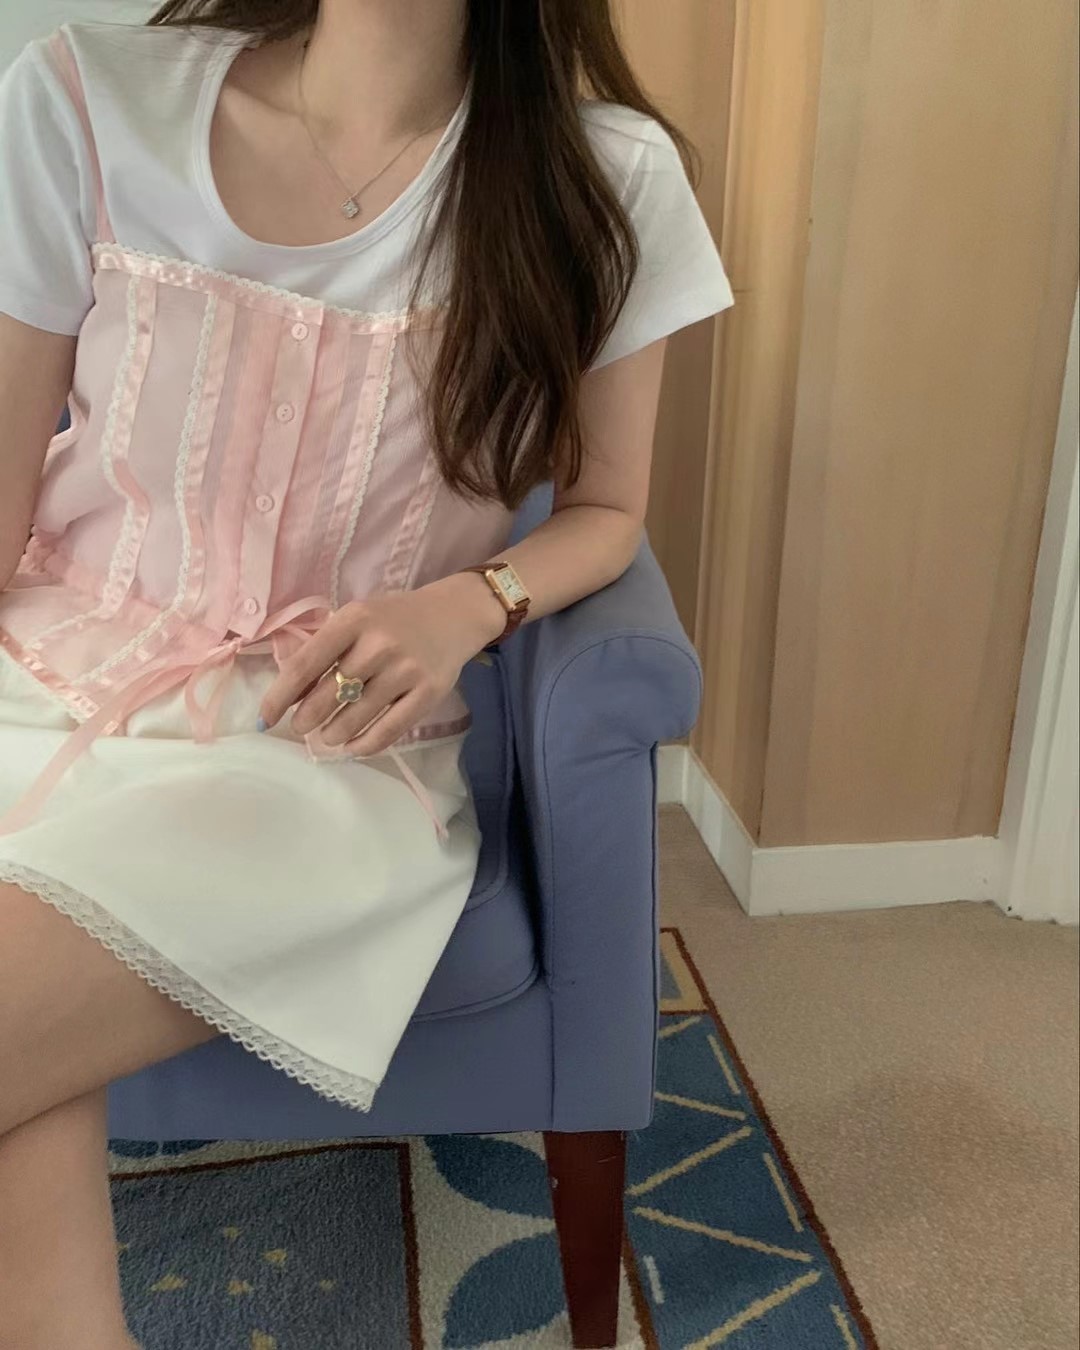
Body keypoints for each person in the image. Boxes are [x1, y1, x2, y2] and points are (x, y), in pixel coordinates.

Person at [0, 0, 733, 1343]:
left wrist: (469, 604)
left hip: (318, 748)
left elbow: (607, 509)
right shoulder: (85, 102)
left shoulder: (607, 178)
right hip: (42, 678)